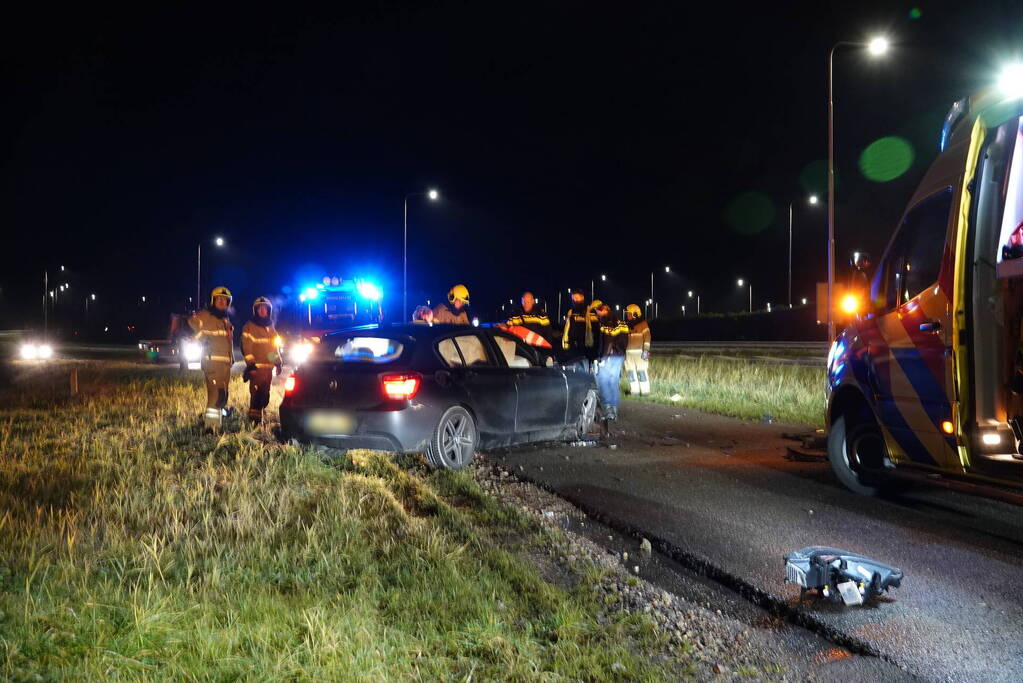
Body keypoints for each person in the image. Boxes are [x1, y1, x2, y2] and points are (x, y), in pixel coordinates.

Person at [189, 286, 235, 430]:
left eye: (225, 300)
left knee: (222, 396)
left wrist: (231, 359)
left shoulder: (225, 320)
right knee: (216, 395)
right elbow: (192, 322)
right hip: (212, 362)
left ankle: (216, 424)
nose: (222, 301)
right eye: (218, 299)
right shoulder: (205, 315)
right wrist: (198, 337)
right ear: (212, 301)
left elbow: (228, 343)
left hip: (225, 364)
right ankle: (211, 428)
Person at [241, 296, 283, 425]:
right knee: (256, 395)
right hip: (256, 369)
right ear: (255, 310)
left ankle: (259, 417)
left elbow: (272, 349)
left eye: (265, 308)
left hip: (267, 369)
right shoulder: (249, 326)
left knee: (265, 396)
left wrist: (277, 362)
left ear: (268, 310)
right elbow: (246, 347)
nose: (262, 310)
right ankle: (254, 423)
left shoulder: (270, 327)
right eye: (259, 308)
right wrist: (251, 365)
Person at [595, 303, 629, 420]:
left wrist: (603, 358)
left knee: (603, 381)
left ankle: (608, 408)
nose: (598, 316)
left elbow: (608, 341)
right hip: (619, 356)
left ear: (604, 311)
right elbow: (625, 340)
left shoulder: (608, 323)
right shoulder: (622, 323)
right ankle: (614, 410)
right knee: (613, 382)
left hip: (610, 356)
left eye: (598, 313)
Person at [561, 291, 600, 369]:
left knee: (586, 369)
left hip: (587, 347)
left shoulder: (590, 311)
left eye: (576, 298)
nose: (574, 300)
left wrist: (595, 345)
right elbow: (568, 328)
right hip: (574, 347)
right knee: (577, 369)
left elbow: (596, 329)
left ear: (582, 298)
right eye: (573, 298)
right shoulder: (571, 312)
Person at [624, 303, 652, 396]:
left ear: (635, 314)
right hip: (628, 354)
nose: (627, 315)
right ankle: (634, 391)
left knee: (642, 372)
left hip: (640, 353)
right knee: (630, 373)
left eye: (629, 313)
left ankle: (645, 392)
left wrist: (646, 352)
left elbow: (647, 338)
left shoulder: (643, 324)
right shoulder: (627, 326)